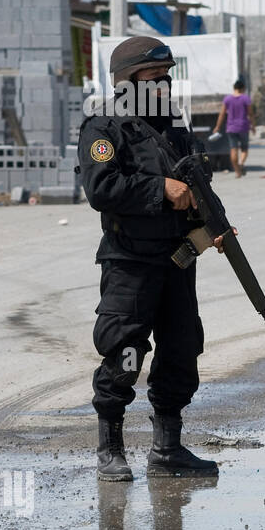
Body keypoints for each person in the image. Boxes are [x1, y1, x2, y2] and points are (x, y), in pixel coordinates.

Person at [78, 35, 227, 481]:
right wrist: (160, 188)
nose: (163, 85)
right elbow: (100, 189)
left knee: (181, 350)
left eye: (167, 77)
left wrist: (215, 224)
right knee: (125, 351)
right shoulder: (103, 127)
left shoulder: (173, 127)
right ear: (127, 82)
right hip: (131, 261)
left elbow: (197, 182)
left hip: (180, 258)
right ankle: (111, 449)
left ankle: (168, 450)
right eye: (153, 77)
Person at [213, 77, 254, 178]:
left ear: (234, 88)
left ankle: (237, 172)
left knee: (233, 149)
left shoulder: (227, 99)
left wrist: (217, 126)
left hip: (231, 128)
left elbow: (222, 114)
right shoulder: (245, 98)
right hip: (243, 127)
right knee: (244, 148)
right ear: (243, 88)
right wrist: (253, 125)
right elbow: (250, 113)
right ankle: (241, 163)